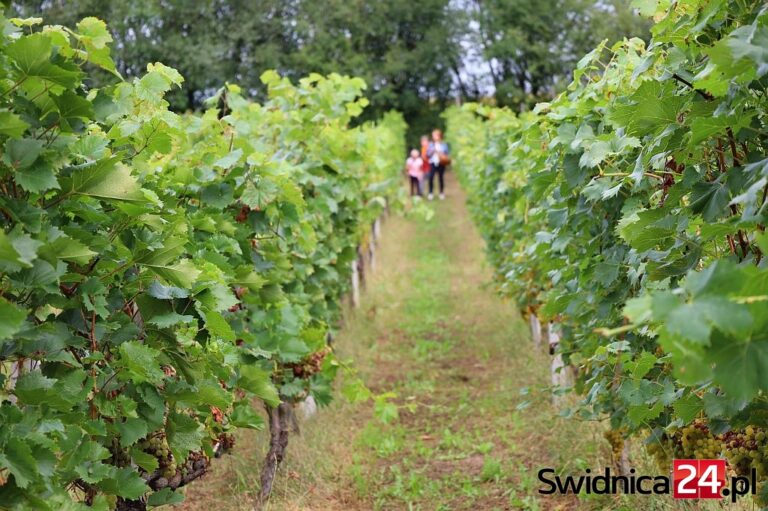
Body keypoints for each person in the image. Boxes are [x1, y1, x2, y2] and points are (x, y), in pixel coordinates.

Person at [426, 129, 449, 200]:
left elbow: (446, 153)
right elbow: (427, 154)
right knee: (431, 177)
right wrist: (433, 151)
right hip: (433, 162)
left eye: (435, 135)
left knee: (441, 178)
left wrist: (440, 153)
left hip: (441, 163)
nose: (434, 137)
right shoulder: (431, 145)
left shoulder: (443, 145)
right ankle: (430, 193)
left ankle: (441, 193)